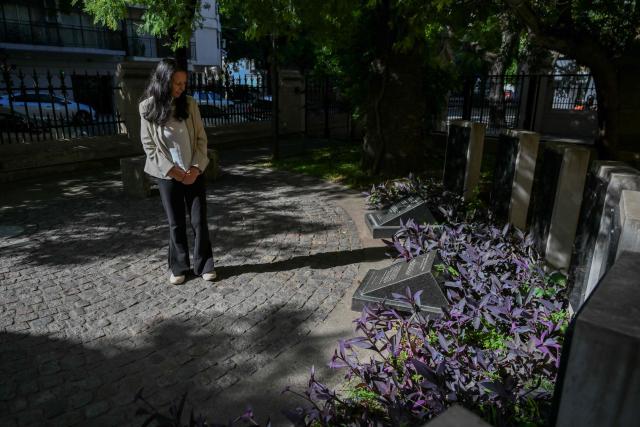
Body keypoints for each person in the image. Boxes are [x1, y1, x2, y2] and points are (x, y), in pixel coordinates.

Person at [139, 58, 216, 285]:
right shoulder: (147, 107)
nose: (182, 88)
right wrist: (172, 171)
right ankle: (178, 266)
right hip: (167, 174)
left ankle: (205, 265)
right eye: (177, 83)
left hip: (193, 171)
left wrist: (194, 168)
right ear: (164, 81)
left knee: (199, 220)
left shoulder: (190, 104)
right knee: (176, 223)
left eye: (184, 83)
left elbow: (201, 140)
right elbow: (149, 146)